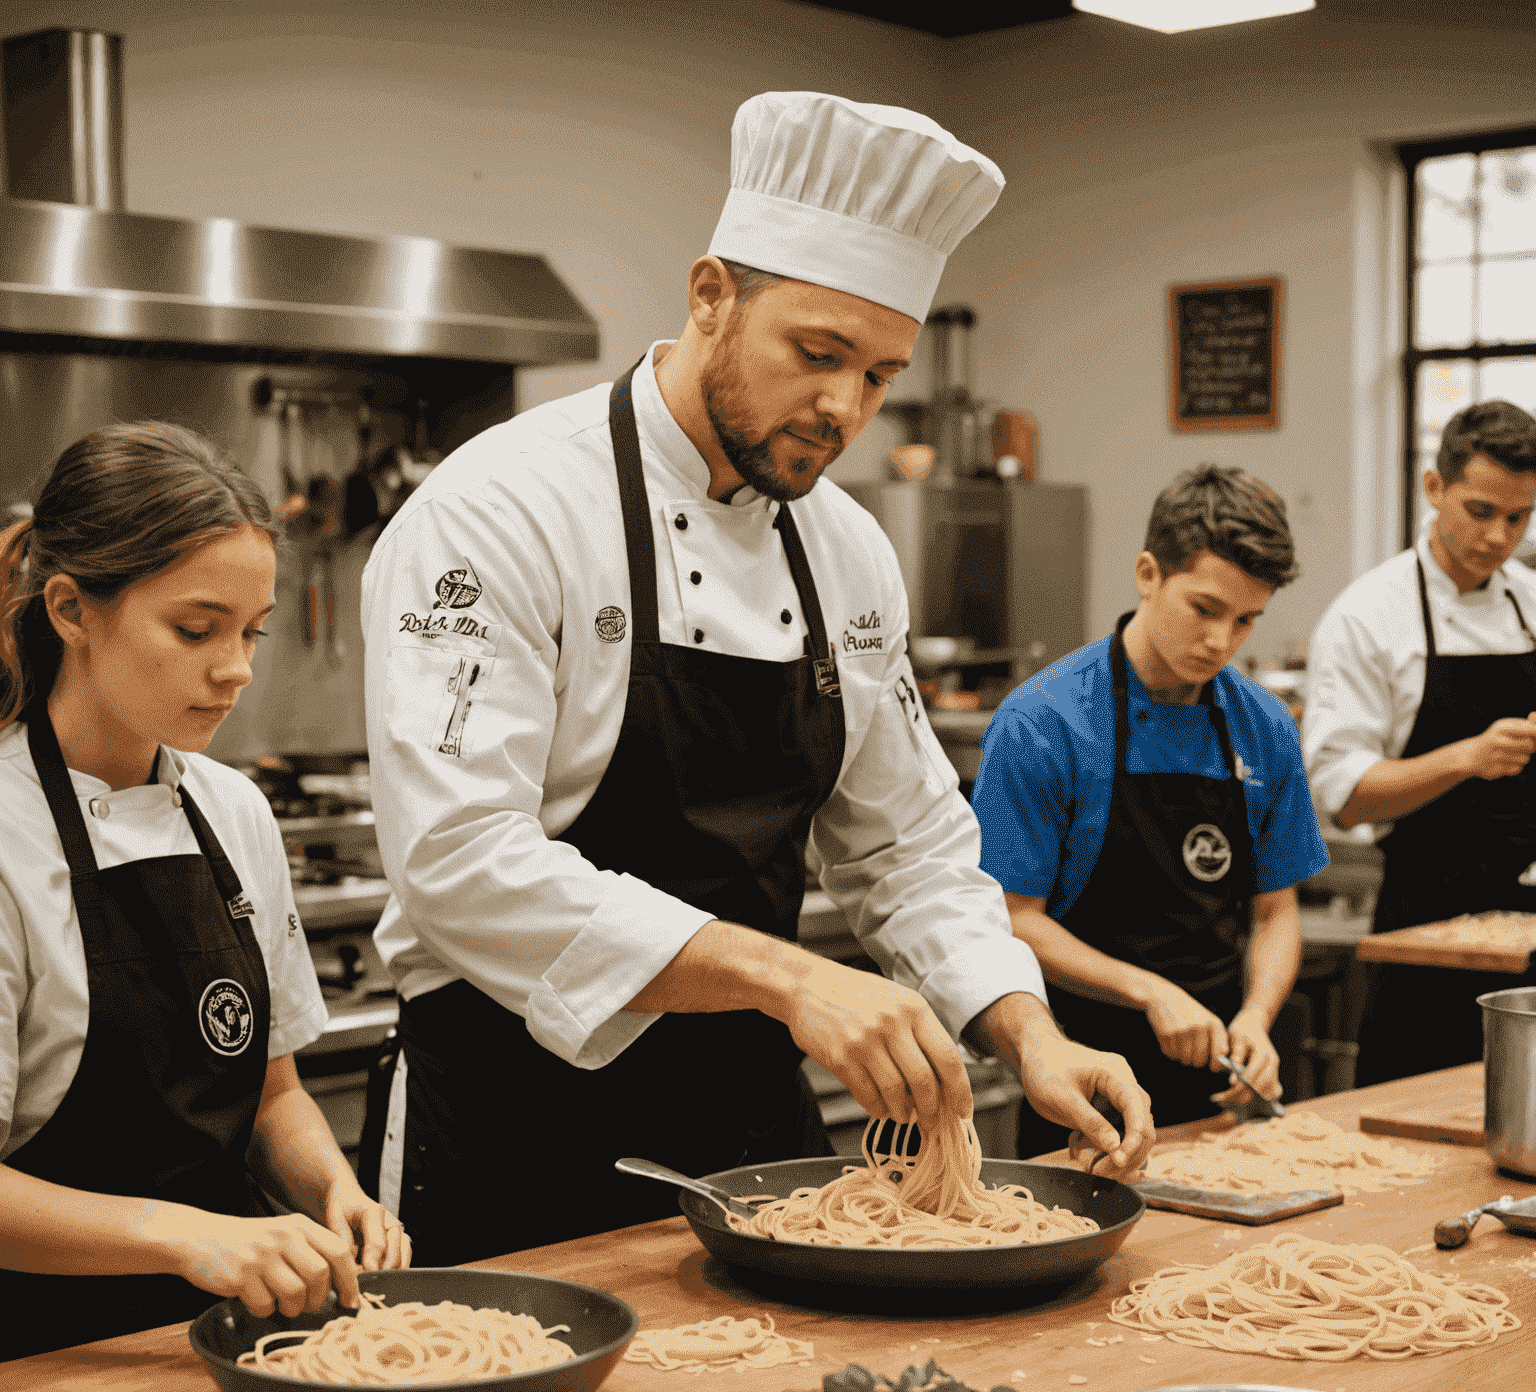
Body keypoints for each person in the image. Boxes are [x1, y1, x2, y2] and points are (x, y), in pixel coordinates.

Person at [358, 90, 1154, 1266]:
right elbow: (460, 862)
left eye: (880, 377)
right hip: (514, 1118)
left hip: (748, 1122)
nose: (843, 409)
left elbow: (907, 846)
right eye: (817, 354)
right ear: (710, 297)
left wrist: (1023, 1026)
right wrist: (791, 977)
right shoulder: (503, 509)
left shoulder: (845, 547)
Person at [0, 423, 408, 1361]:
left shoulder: (233, 812)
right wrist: (194, 1237)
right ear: (70, 608)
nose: (237, 668)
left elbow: (271, 1095)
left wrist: (329, 1188)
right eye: (197, 629)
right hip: (37, 1361)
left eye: (252, 632)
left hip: (235, 1344)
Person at [972, 466, 1329, 1155]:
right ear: (1147, 574)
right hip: (1081, 1081)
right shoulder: (1044, 724)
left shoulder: (1264, 725)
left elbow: (1275, 911)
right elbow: (1014, 920)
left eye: (1246, 620)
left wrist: (1256, 1018)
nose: (1222, 642)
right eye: (1205, 609)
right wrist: (1148, 991)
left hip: (1224, 1094)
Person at [1304, 399, 1536, 1086]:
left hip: (1527, 923)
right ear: (1434, 490)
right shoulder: (1367, 619)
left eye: (1519, 517)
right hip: (1427, 928)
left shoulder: (1531, 600)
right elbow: (1345, 797)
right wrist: (1467, 757)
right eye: (1480, 511)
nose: (1499, 535)